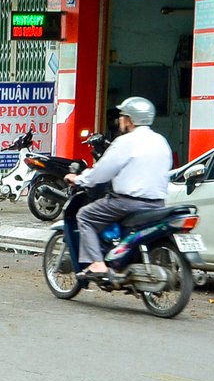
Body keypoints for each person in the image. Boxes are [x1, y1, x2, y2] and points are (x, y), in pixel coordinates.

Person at [63, 96, 172, 278]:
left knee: (85, 215)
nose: (119, 119)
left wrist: (80, 179)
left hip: (127, 203)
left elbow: (102, 171)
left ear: (129, 120)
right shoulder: (160, 141)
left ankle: (97, 264)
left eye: (122, 116)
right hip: (157, 204)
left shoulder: (125, 142)